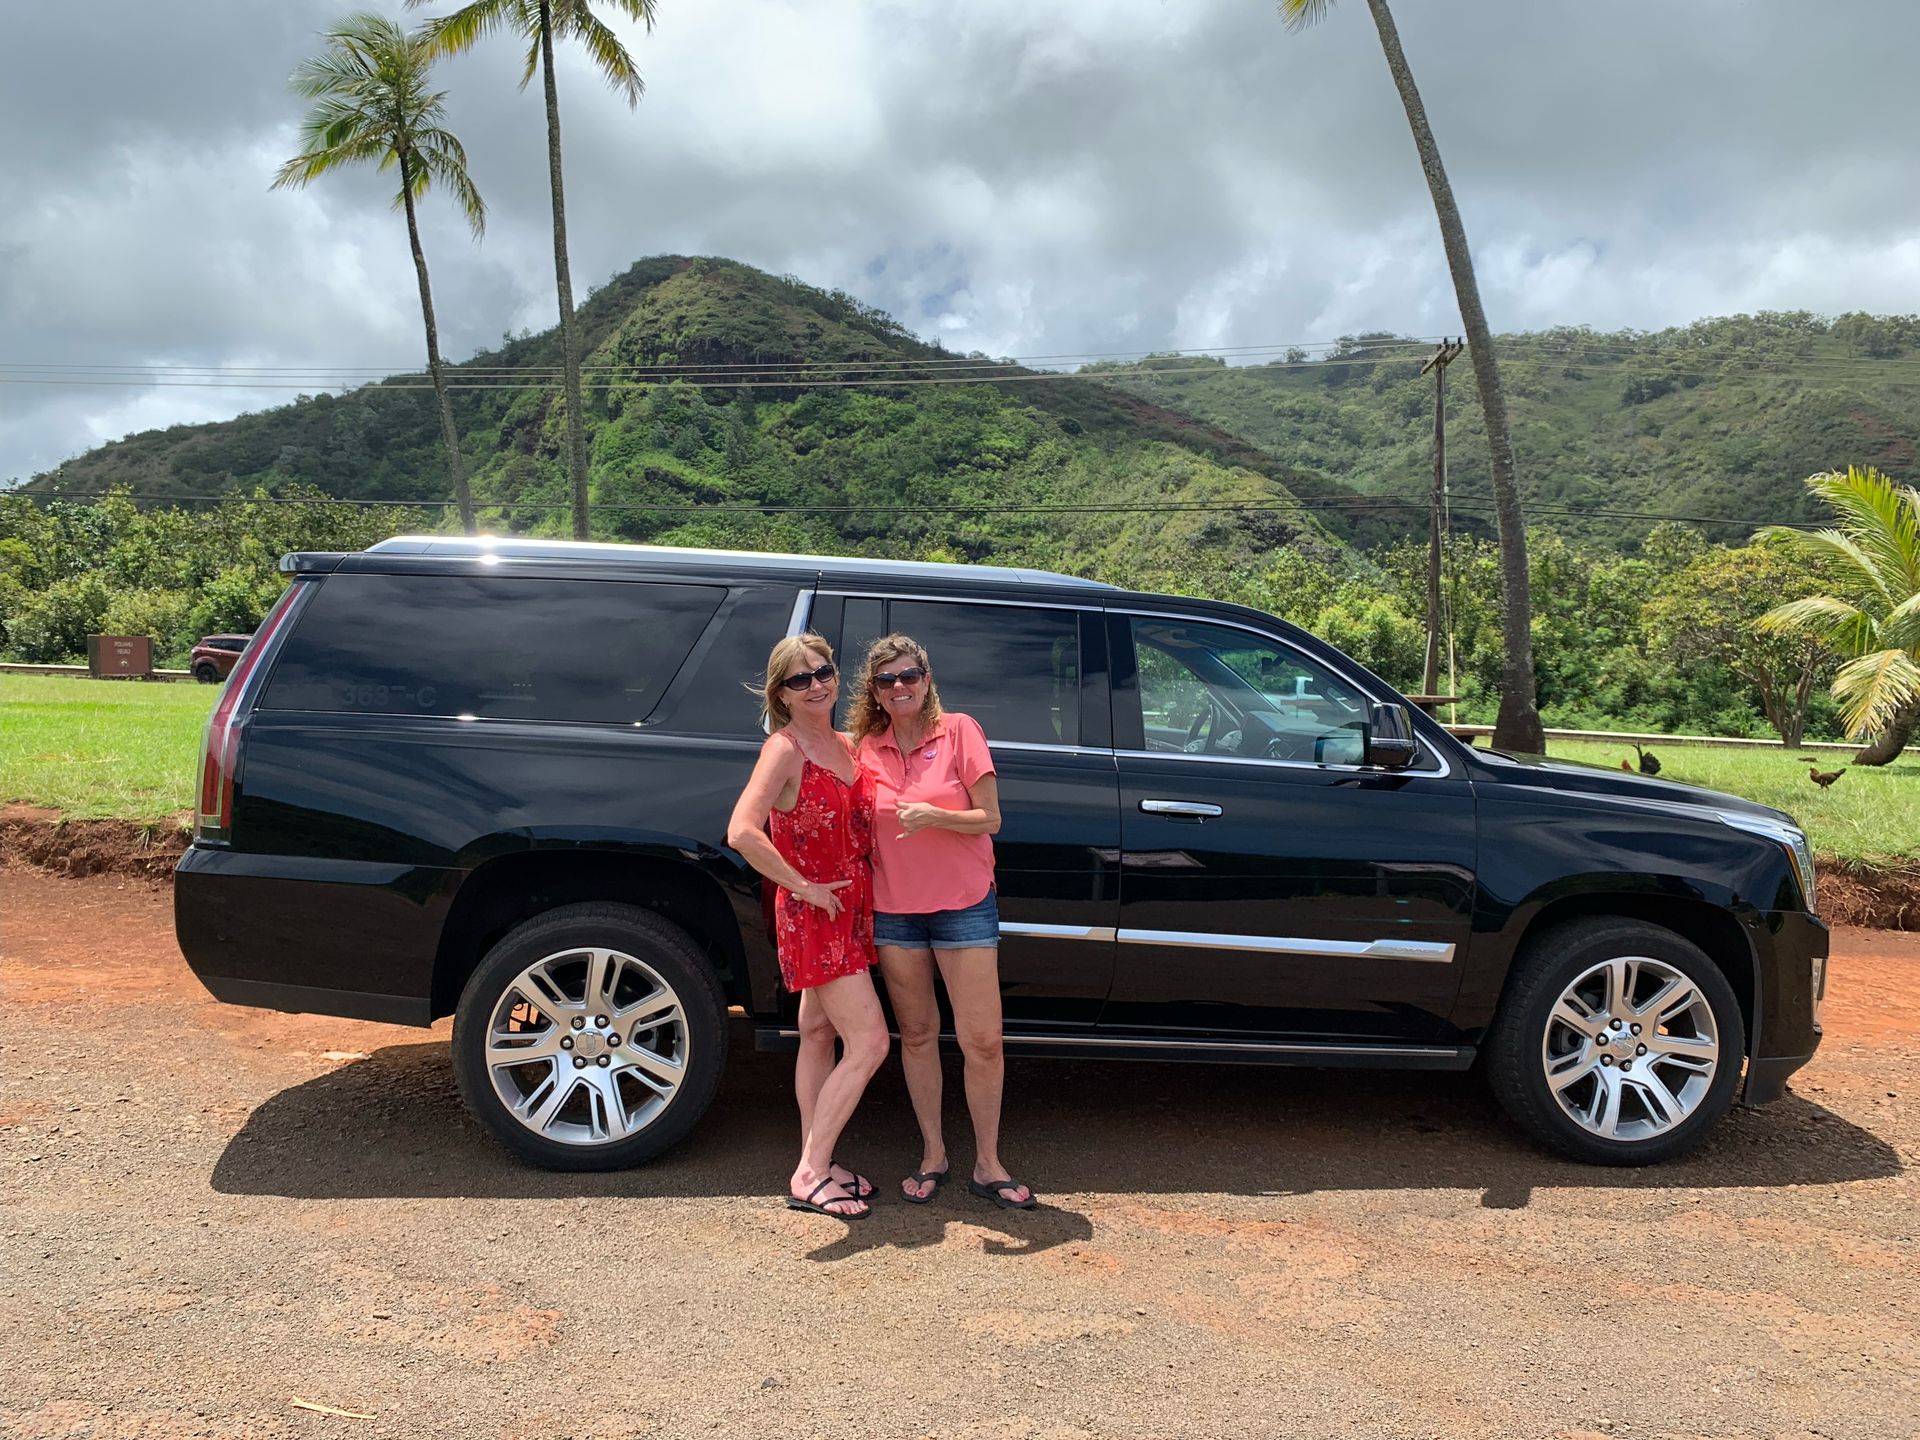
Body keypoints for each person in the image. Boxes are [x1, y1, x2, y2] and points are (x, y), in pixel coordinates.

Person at [852, 634, 1036, 1210]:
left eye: (908, 676)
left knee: (982, 1039)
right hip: (895, 910)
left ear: (927, 679)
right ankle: (934, 1154)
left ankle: (989, 1163)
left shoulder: (960, 731)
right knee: (919, 1036)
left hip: (962, 903)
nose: (899, 687)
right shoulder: (865, 749)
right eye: (887, 680)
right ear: (875, 691)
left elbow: (992, 819)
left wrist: (936, 816)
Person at [726, 634, 889, 1219]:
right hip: (816, 912)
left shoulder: (847, 743)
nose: (817, 684)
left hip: (852, 907)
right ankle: (812, 1171)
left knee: (818, 1035)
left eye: (823, 671)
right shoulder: (784, 748)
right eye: (800, 679)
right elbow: (742, 830)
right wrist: (804, 886)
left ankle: (815, 1157)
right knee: (870, 1042)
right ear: (782, 693)